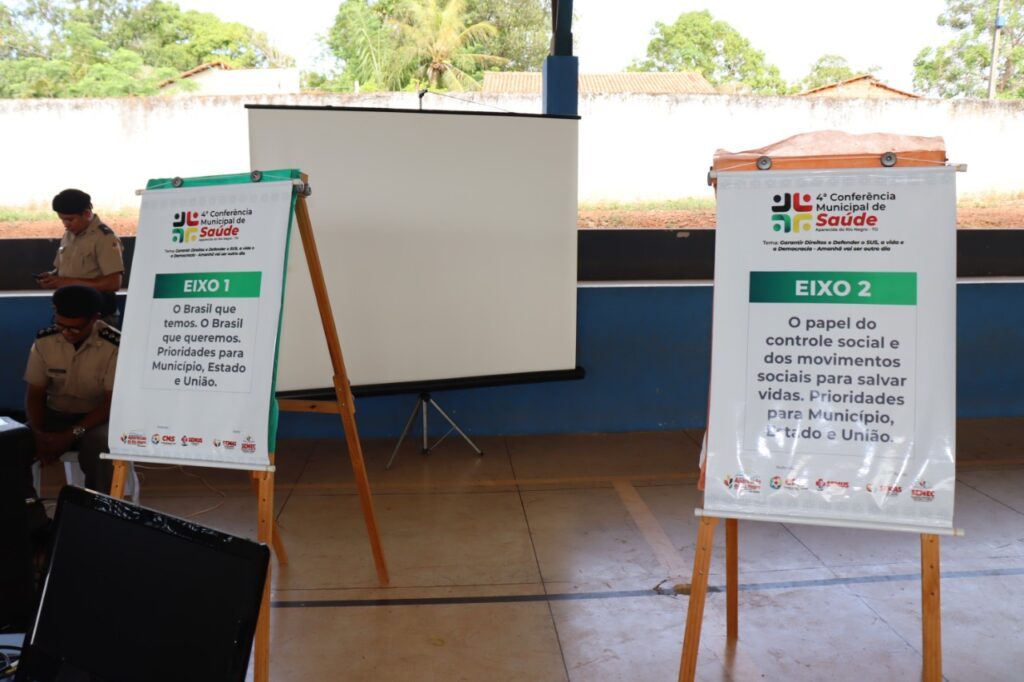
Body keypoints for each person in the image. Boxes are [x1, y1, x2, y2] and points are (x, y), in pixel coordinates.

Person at [24, 285, 119, 493]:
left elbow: (110, 403)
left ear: (94, 319)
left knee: (101, 446)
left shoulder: (113, 346)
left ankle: (97, 506)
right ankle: (25, 507)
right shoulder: (44, 342)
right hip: (55, 414)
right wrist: (38, 433)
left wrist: (70, 435)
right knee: (14, 441)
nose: (66, 333)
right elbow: (35, 394)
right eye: (60, 325)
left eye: (75, 328)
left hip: (96, 419)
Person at [38, 189, 124, 327]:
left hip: (96, 315)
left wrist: (65, 282)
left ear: (87, 214)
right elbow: (65, 269)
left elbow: (113, 283)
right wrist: (52, 277)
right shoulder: (69, 234)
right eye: (62, 219)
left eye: (70, 219)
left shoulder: (105, 238)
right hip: (69, 312)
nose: (66, 224)